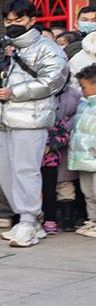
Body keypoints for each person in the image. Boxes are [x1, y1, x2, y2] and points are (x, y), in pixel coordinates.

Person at [0, 0, 71, 247]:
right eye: (9, 20)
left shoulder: (47, 48)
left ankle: (28, 219)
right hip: (0, 120)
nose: (12, 24)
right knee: (6, 172)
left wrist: (16, 92)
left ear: (32, 20)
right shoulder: (2, 45)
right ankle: (27, 220)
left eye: (18, 19)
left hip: (31, 119)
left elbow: (54, 80)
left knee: (25, 170)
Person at [68, 64, 96, 237]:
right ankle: (93, 220)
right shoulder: (84, 105)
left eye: (84, 87)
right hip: (83, 157)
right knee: (88, 192)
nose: (81, 91)